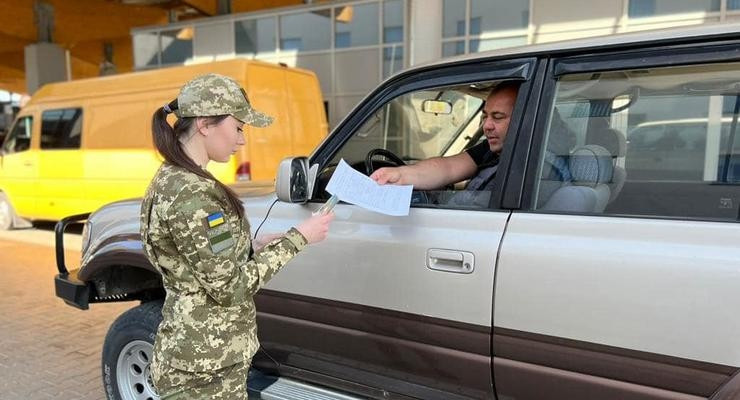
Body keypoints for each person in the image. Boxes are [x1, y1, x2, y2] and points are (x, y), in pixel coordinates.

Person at [140, 73, 334, 399]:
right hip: (206, 369)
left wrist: (252, 245)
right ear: (204, 123)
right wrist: (299, 237)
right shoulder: (193, 194)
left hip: (203, 358)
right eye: (238, 127)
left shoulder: (175, 178)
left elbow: (192, 260)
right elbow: (230, 288)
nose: (241, 139)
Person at [370, 82, 520, 196]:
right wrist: (401, 175)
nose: (486, 125)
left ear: (523, 117)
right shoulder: (493, 148)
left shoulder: (533, 165)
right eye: (485, 116)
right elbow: (448, 167)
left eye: (498, 117)